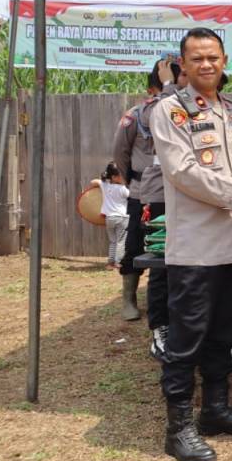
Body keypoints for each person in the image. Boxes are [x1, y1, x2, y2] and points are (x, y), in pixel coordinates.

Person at [150, 28, 232, 461]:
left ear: (225, 62)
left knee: (224, 334)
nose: (206, 65)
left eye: (213, 57)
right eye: (196, 58)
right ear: (182, 64)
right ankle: (178, 428)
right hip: (196, 248)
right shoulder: (170, 111)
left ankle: (216, 410)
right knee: (185, 341)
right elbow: (183, 173)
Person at [113, 65, 171, 320]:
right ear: (151, 90)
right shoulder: (134, 117)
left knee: (166, 245)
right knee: (136, 243)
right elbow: (120, 153)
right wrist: (132, 182)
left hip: (170, 192)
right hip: (140, 192)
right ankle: (129, 298)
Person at [137, 60, 186, 361]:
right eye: (179, 72)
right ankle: (160, 328)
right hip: (161, 192)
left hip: (190, 192)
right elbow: (168, 119)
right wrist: (168, 85)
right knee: (161, 262)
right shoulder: (154, 105)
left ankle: (181, 322)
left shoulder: (196, 102)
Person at [91, 162, 129, 270]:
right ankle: (118, 262)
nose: (123, 176)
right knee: (121, 241)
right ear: (114, 177)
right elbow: (132, 195)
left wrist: (101, 181)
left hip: (109, 218)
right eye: (121, 175)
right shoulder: (123, 189)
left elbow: (93, 182)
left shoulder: (104, 185)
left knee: (113, 241)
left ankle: (110, 262)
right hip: (122, 218)